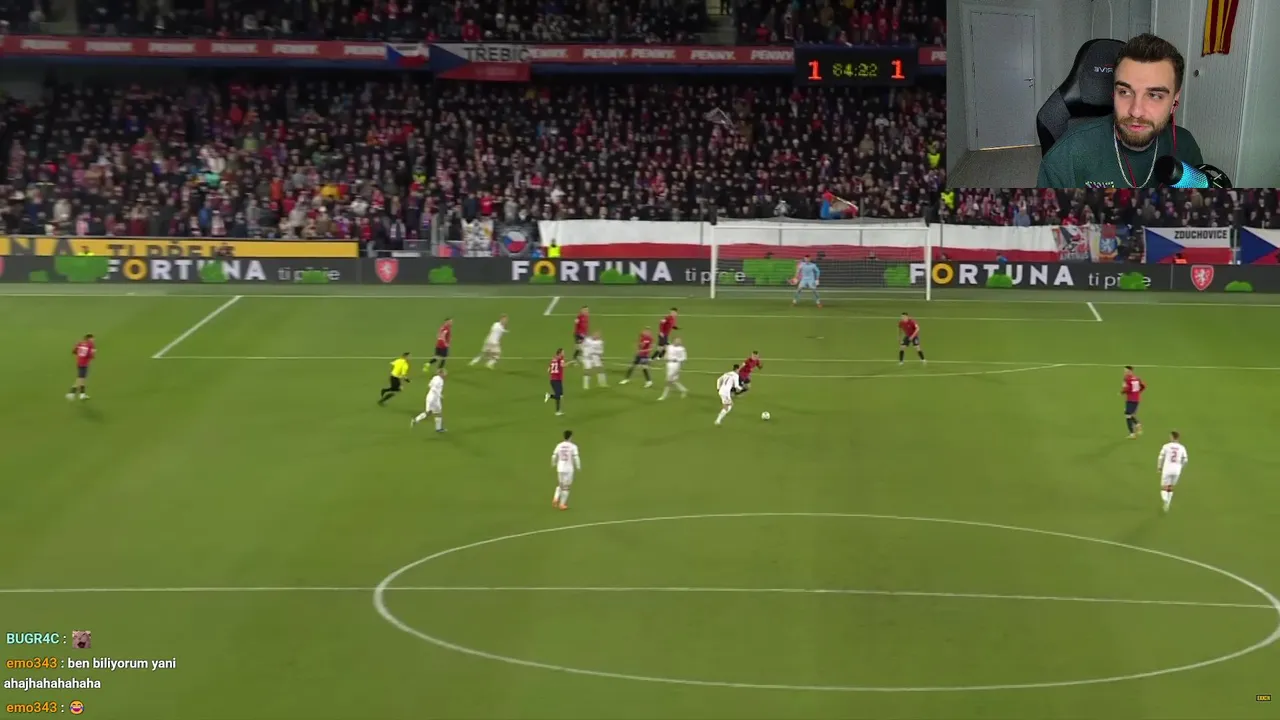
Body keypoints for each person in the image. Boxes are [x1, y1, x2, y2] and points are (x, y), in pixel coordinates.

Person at [1037, 33, 1203, 188]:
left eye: (1154, 95)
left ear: (1175, 99)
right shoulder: (1067, 155)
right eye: (1125, 92)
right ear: (1113, 93)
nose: (1136, 111)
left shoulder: (1186, 146)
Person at [1157, 431, 1188, 512]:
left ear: (1171, 437)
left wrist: (1159, 467)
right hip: (1177, 470)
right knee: (1171, 487)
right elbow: (1185, 460)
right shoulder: (1182, 447)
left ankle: (1165, 501)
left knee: (1164, 488)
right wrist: (1181, 467)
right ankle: (1168, 504)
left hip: (1167, 469)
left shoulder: (1166, 446)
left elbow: (1160, 457)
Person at [550, 429, 581, 510]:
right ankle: (562, 504)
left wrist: (553, 463)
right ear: (571, 437)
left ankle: (556, 498)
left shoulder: (559, 445)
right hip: (568, 469)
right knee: (566, 487)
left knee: (560, 484)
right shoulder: (573, 446)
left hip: (560, 468)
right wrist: (578, 466)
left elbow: (554, 456)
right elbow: (576, 457)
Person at [68, 334, 95, 400]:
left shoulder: (80, 343)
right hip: (84, 364)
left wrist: (79, 355)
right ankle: (71, 393)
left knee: (82, 379)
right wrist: (93, 353)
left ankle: (82, 395)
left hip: (79, 362)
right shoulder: (90, 345)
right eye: (92, 338)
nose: (93, 340)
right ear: (89, 339)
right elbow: (90, 355)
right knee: (80, 379)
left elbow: (74, 351)